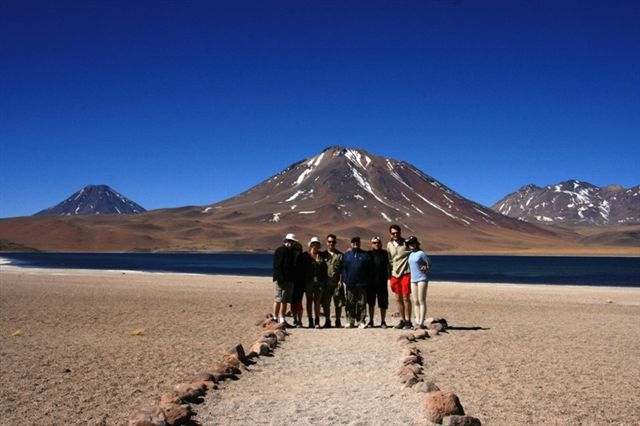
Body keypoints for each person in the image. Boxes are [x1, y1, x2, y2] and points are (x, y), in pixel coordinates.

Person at [341, 236, 373, 328]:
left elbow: (369, 269)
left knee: (361, 303)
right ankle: (350, 321)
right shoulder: (346, 255)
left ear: (360, 243)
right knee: (350, 302)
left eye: (357, 242)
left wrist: (367, 280)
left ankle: (361, 321)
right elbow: (343, 268)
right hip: (350, 283)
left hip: (362, 284)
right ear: (351, 243)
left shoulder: (365, 255)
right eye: (353, 242)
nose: (355, 243)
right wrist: (345, 279)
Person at [387, 224, 413, 329]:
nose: (395, 234)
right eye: (393, 233)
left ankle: (408, 321)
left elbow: (416, 251)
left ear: (400, 232)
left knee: (406, 297)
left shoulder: (406, 243)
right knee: (398, 298)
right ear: (390, 234)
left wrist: (423, 264)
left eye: (397, 232)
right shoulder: (389, 244)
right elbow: (389, 259)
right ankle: (402, 320)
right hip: (395, 274)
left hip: (405, 273)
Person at [301, 237, 328, 328]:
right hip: (308, 281)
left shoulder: (322, 256)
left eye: (317, 244)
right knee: (309, 301)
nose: (315, 245)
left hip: (319, 282)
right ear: (311, 245)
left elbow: (325, 268)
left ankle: (317, 321)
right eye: (314, 244)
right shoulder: (305, 256)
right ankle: (310, 321)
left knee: (317, 301)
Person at [405, 236, 430, 329]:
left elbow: (428, 263)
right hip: (413, 280)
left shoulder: (421, 253)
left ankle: (421, 323)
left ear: (416, 243)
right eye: (409, 243)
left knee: (421, 300)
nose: (411, 245)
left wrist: (426, 267)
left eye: (413, 243)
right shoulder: (410, 254)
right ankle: (417, 321)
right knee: (415, 301)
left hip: (421, 279)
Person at [272, 233, 297, 326]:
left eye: (292, 241)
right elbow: (277, 266)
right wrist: (279, 279)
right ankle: (275, 317)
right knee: (278, 298)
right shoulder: (280, 250)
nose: (291, 243)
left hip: (289, 279)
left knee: (285, 300)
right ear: (285, 241)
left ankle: (282, 318)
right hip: (282, 279)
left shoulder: (291, 252)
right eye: (289, 241)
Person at [367, 236, 390, 328]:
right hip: (371, 283)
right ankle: (371, 321)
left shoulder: (385, 254)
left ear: (381, 243)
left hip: (382, 282)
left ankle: (383, 321)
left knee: (383, 303)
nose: (376, 244)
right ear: (371, 244)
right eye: (374, 243)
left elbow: (393, 263)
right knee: (371, 303)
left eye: (378, 242)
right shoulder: (368, 254)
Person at [322, 234, 343, 328]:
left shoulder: (340, 255)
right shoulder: (323, 255)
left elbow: (342, 269)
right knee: (326, 303)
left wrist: (341, 281)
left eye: (333, 242)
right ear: (327, 243)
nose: (331, 243)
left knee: (338, 303)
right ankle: (327, 320)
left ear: (335, 242)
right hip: (326, 284)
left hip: (336, 283)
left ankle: (338, 320)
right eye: (329, 241)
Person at [290, 240, 306, 327]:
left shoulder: (303, 258)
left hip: (300, 283)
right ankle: (295, 319)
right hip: (291, 282)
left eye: (298, 249)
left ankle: (299, 320)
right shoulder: (290, 258)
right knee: (292, 302)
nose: (297, 251)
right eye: (295, 249)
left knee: (298, 301)